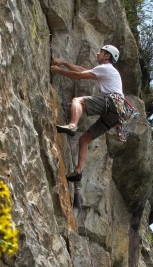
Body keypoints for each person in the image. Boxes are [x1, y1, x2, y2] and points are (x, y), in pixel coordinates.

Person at [50, 45, 124, 182]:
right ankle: (78, 171)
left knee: (78, 101)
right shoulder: (106, 70)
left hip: (112, 102)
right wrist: (64, 63)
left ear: (107, 56)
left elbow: (78, 76)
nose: (97, 53)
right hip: (117, 114)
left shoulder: (105, 68)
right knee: (85, 139)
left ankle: (72, 125)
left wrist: (58, 71)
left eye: (101, 52)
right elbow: (83, 71)